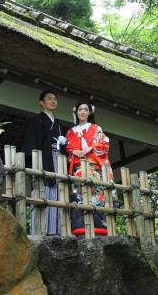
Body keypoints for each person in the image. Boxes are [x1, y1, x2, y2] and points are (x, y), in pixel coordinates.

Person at [21, 90, 67, 236]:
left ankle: (56, 231)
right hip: (44, 160)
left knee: (58, 194)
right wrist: (35, 162)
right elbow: (32, 144)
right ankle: (40, 230)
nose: (53, 101)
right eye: (49, 98)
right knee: (42, 194)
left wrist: (63, 144)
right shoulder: (37, 120)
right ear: (41, 102)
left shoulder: (58, 124)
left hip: (57, 159)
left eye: (55, 99)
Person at [66, 101, 112, 236]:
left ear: (90, 112)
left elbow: (104, 143)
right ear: (76, 112)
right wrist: (74, 152)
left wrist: (90, 148)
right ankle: (79, 227)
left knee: (96, 195)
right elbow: (68, 147)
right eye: (80, 109)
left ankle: (99, 227)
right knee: (78, 195)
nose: (82, 112)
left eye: (85, 109)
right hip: (78, 167)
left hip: (94, 167)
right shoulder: (70, 132)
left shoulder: (96, 128)